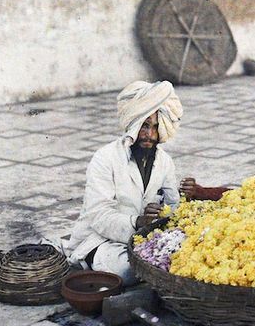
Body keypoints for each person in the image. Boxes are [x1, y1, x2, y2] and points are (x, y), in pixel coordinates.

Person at [64, 80, 185, 285]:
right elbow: (99, 215)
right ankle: (88, 264)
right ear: (134, 124)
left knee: (178, 258)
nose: (149, 135)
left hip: (144, 238)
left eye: (156, 127)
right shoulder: (105, 158)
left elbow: (173, 207)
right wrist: (138, 222)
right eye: (144, 126)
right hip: (101, 239)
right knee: (129, 270)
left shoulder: (165, 162)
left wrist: (184, 199)